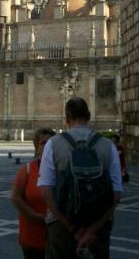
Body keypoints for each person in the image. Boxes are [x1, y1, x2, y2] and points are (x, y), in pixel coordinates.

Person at [38, 97, 122, 258]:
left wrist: (73, 229)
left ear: (67, 118)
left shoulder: (53, 144)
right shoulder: (108, 145)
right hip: (97, 230)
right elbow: (116, 194)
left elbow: (46, 191)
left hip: (61, 227)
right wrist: (92, 229)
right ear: (89, 116)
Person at [12, 127, 56, 259]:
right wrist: (36, 216)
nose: (47, 146)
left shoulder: (62, 169)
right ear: (36, 147)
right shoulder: (27, 170)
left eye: (51, 143)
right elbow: (16, 197)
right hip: (32, 232)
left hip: (58, 235)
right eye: (43, 143)